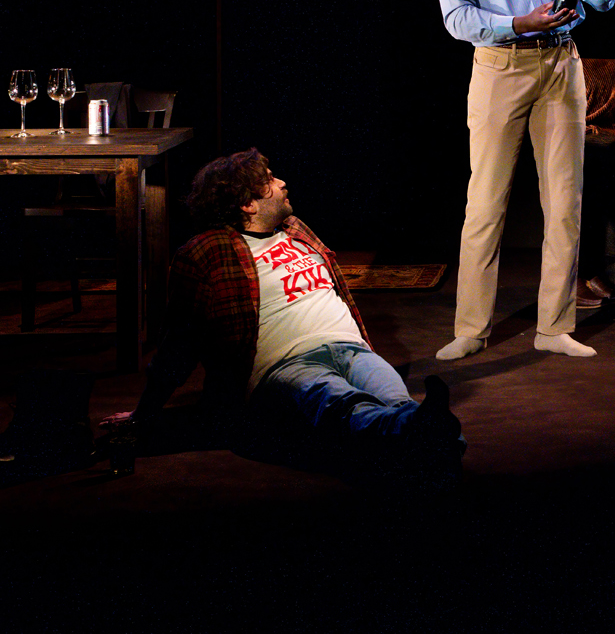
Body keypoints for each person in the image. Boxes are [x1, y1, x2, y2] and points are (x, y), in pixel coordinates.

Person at [101, 148, 463, 488]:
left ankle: (422, 431)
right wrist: (143, 414)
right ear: (247, 204)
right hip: (287, 364)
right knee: (339, 402)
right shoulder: (207, 252)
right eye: (270, 181)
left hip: (351, 349)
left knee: (397, 400)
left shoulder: (295, 230)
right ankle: (431, 437)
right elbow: (178, 342)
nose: (282, 183)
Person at [432, 0, 615, 361]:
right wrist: (520, 22)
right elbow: (456, 18)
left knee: (564, 201)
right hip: (500, 68)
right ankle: (471, 328)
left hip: (561, 64)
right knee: (485, 203)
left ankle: (554, 327)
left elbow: (601, 1)